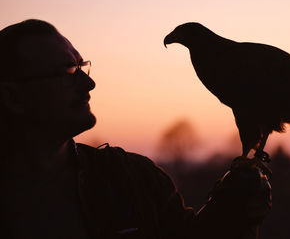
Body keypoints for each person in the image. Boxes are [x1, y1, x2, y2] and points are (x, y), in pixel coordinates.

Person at [0, 19, 271, 239]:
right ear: (12, 96)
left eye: (83, 66)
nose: (88, 84)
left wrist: (233, 214)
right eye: (69, 70)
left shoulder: (133, 181)